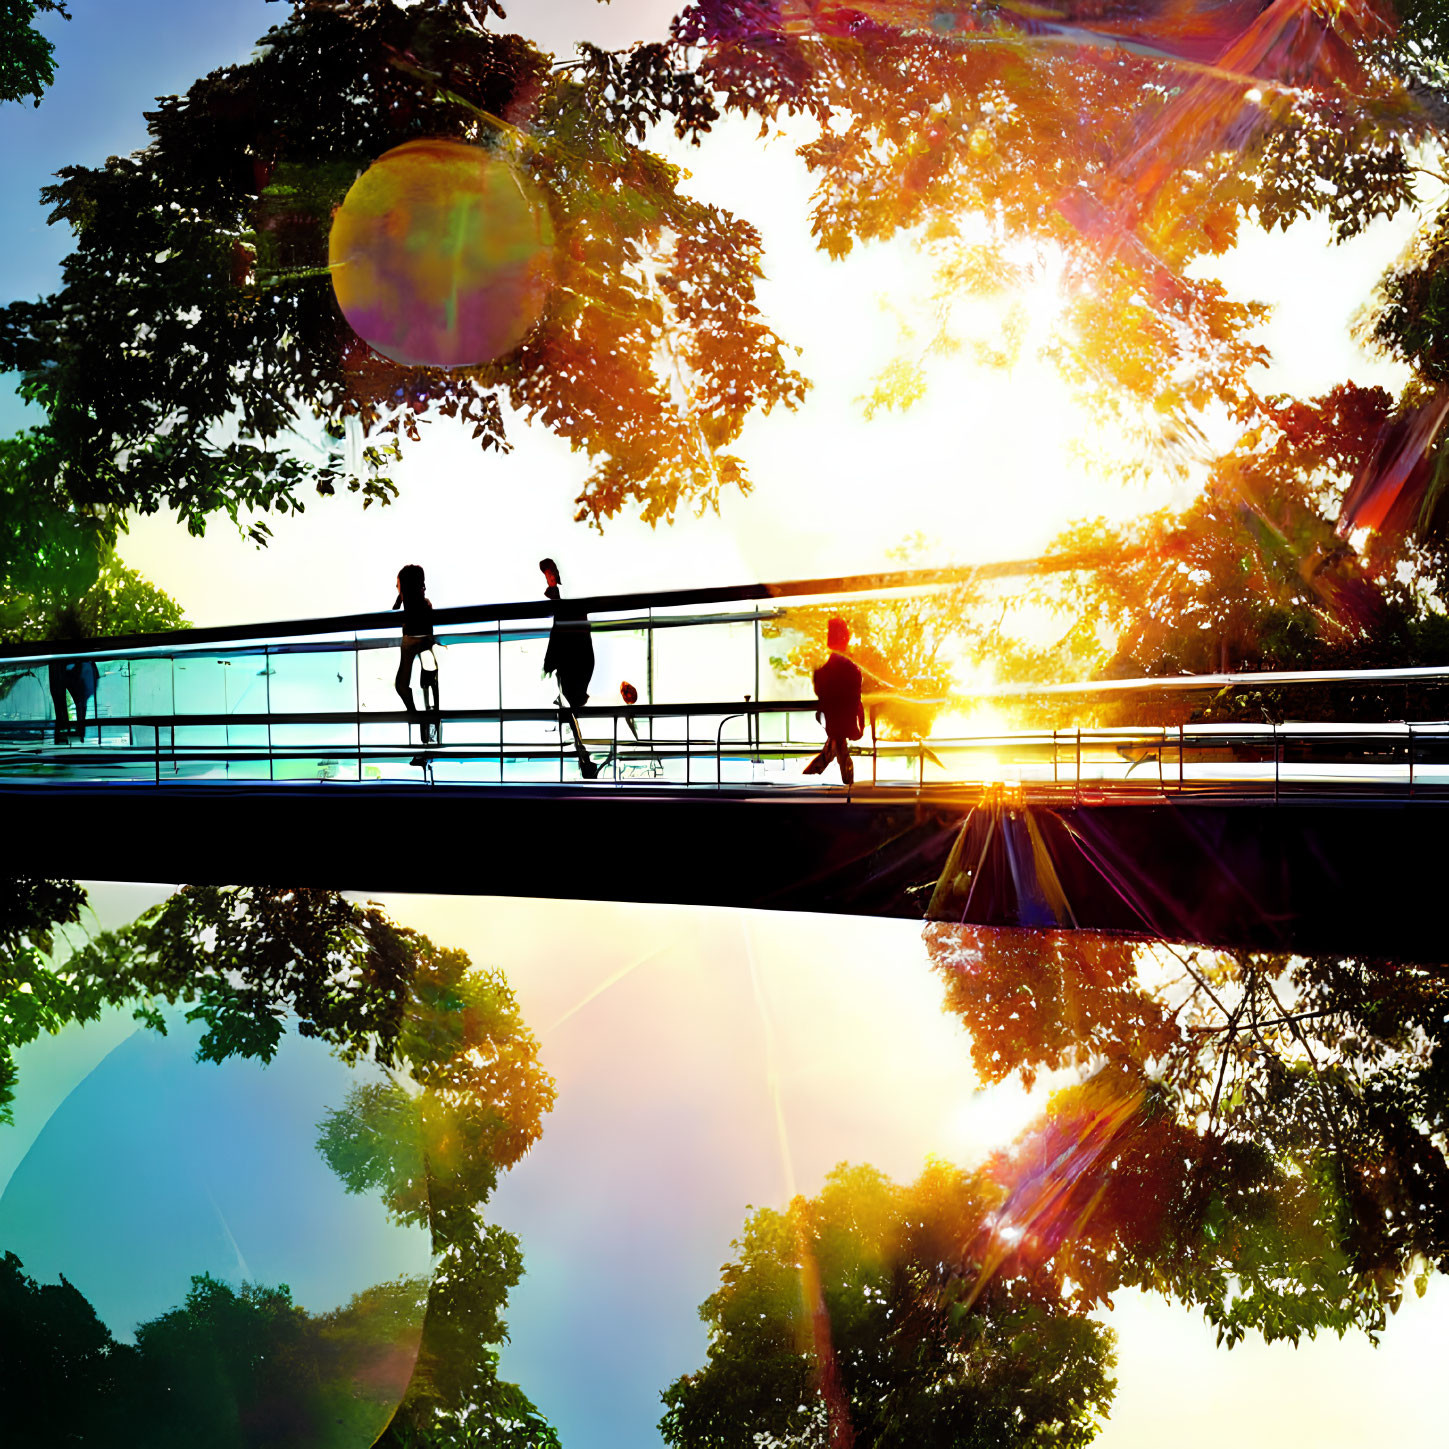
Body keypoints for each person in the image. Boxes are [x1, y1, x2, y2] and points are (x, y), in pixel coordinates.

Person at [540, 557, 598, 779]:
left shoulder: (566, 601)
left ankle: (584, 757)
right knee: (571, 711)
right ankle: (584, 757)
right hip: (575, 660)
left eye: (549, 574)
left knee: (571, 709)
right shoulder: (567, 600)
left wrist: (549, 662)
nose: (549, 578)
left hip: (572, 661)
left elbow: (559, 629)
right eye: (547, 575)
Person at [803, 617, 864, 786]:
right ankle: (835, 758)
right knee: (838, 737)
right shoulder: (853, 670)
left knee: (836, 736)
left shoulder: (825, 672)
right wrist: (861, 722)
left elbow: (821, 693)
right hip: (844, 722)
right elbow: (856, 699)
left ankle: (827, 760)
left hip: (833, 720)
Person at [392, 564, 441, 746]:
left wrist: (400, 599)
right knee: (426, 690)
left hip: (412, 645)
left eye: (398, 585)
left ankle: (417, 720)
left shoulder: (410, 609)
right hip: (422, 646)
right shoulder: (422, 605)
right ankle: (424, 730)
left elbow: (394, 614)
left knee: (404, 685)